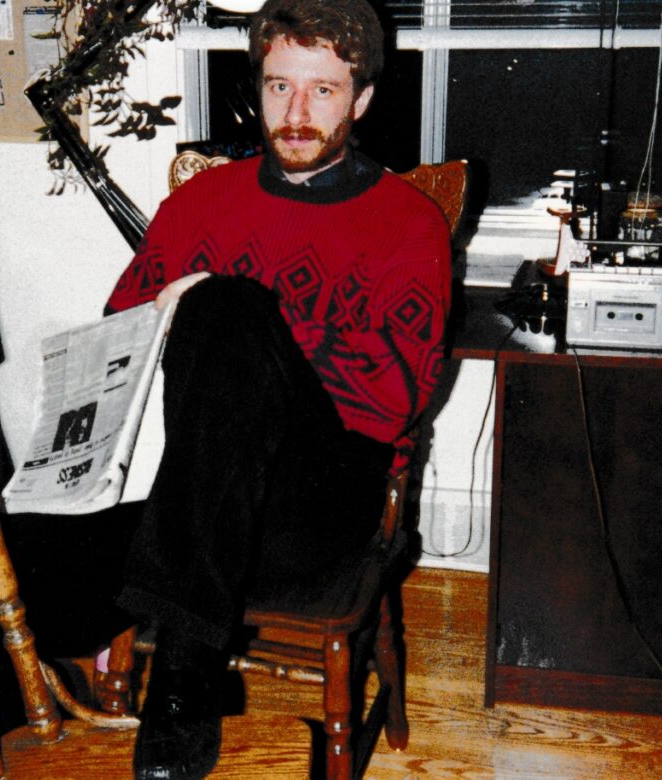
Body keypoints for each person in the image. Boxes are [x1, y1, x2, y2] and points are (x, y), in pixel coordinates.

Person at [98, 1, 452, 777]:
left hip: (326, 499)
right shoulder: (201, 203)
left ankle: (182, 670)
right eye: (278, 86)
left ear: (359, 100)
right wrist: (178, 312)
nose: (295, 114)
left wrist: (242, 318)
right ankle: (182, 652)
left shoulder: (409, 224)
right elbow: (118, 333)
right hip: (206, 492)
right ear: (255, 90)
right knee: (28, 542)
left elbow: (398, 394)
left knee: (226, 306)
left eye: (322, 91)